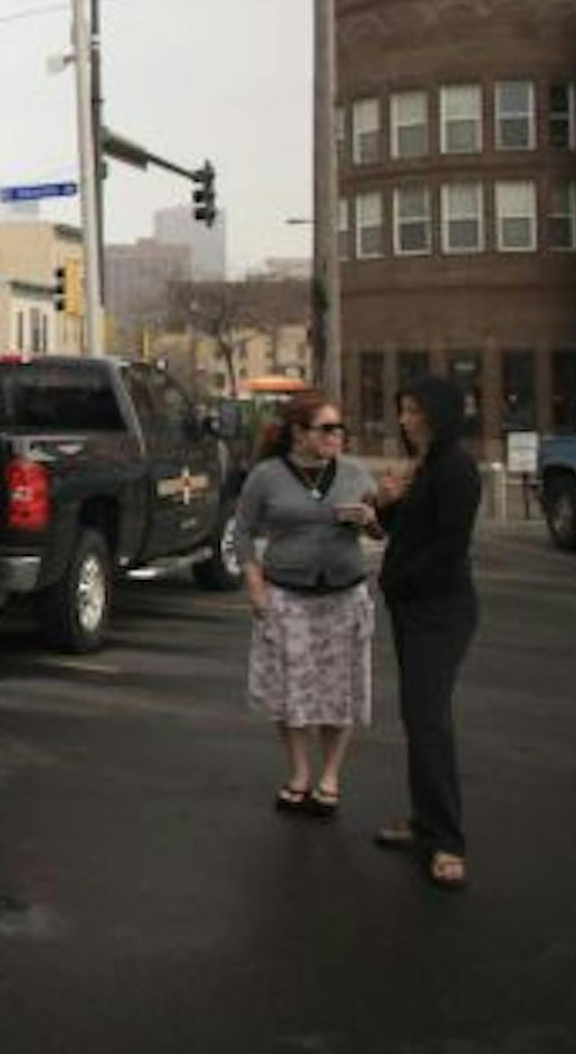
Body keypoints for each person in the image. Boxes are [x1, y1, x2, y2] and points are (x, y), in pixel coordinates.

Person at [233, 391, 380, 819]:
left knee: (340, 690)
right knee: (292, 690)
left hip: (344, 595)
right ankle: (298, 774)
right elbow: (242, 531)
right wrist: (254, 584)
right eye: (327, 428)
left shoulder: (355, 474)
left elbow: (382, 533)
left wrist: (369, 521)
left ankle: (330, 777)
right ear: (299, 433)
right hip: (287, 597)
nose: (337, 436)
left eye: (339, 428)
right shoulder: (266, 476)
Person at [371, 376, 482, 891]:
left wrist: (402, 579)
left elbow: (449, 547)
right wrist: (386, 503)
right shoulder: (425, 466)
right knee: (420, 720)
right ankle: (424, 821)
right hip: (411, 609)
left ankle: (447, 842)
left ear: (437, 413)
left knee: (427, 718)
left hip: (440, 610)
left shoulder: (456, 467)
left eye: (414, 410)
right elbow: (403, 531)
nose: (405, 419)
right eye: (402, 409)